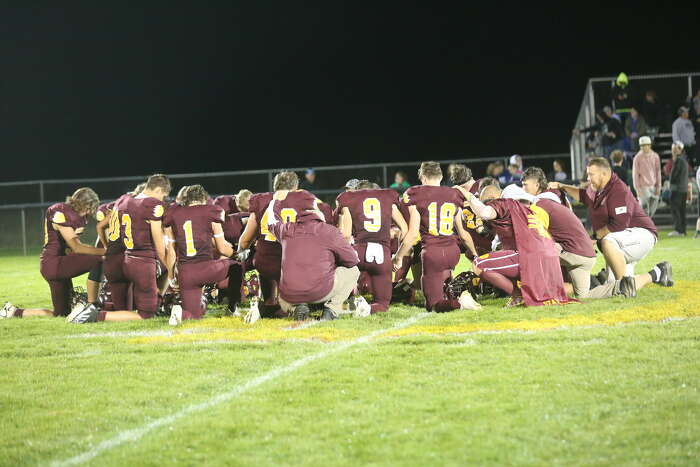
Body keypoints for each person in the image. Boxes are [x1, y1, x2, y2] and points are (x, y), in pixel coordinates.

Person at [549, 158, 671, 287]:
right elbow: (584, 196)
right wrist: (562, 186)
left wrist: (593, 239)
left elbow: (618, 224)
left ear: (604, 174)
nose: (588, 178)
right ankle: (658, 273)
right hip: (622, 239)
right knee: (613, 286)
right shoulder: (598, 188)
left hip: (642, 234)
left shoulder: (617, 190)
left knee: (607, 241)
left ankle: (623, 285)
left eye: (591, 174)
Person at [458, 184, 572, 307]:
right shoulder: (526, 209)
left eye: (485, 202)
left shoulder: (504, 203)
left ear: (492, 198)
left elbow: (484, 212)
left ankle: (518, 294)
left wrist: (466, 193)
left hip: (529, 256)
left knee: (478, 265)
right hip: (548, 257)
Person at [1, 188, 106, 319]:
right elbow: (77, 247)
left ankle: (13, 312)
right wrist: (105, 251)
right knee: (100, 259)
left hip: (56, 265)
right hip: (54, 264)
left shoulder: (78, 217)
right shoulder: (61, 212)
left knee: (61, 314)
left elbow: (70, 249)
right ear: (88, 204)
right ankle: (93, 304)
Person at [393, 161, 480, 312]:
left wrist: (398, 257)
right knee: (444, 292)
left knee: (433, 305)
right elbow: (463, 234)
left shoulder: (416, 193)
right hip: (453, 252)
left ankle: (461, 302)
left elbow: (413, 233)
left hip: (432, 254)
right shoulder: (454, 194)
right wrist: (475, 254)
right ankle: (457, 296)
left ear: (423, 178)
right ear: (440, 177)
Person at [264, 189, 361, 321]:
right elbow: (352, 261)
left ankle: (295, 308)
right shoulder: (329, 231)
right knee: (354, 271)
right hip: (321, 292)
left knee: (284, 297)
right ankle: (332, 310)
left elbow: (271, 222)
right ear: (319, 215)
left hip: (290, 295)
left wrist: (274, 202)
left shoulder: (286, 230)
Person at [238, 172, 318, 319]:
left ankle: (269, 302)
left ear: (275, 185)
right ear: (295, 187)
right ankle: (298, 302)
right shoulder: (304, 198)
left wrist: (240, 253)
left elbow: (245, 240)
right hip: (295, 262)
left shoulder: (262, 200)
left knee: (260, 257)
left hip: (266, 261)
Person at [163, 185, 242, 324]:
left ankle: (180, 313)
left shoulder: (173, 213)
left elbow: (171, 251)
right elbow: (222, 248)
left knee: (193, 315)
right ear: (204, 198)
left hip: (186, 273)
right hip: (207, 269)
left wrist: (171, 277)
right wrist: (238, 254)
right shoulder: (211, 211)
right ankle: (232, 308)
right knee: (236, 266)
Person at [336, 180, 408, 314]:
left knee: (339, 298)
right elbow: (404, 228)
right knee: (383, 304)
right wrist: (398, 256)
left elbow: (345, 235)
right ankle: (367, 308)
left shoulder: (349, 199)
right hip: (382, 254)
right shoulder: (387, 197)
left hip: (358, 252)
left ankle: (341, 305)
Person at [632, 136, 661, 217]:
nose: (642, 147)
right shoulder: (637, 158)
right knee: (644, 208)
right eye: (641, 145)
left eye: (644, 145)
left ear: (649, 145)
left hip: (654, 186)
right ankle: (645, 226)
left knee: (652, 210)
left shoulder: (655, 156)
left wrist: (658, 187)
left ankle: (646, 225)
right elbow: (635, 174)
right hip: (643, 187)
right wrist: (637, 189)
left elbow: (658, 172)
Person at [668, 142, 689, 237]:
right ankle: (683, 231)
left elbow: (674, 176)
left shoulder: (679, 160)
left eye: (675, 148)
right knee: (682, 210)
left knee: (675, 209)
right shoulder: (684, 159)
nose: (673, 150)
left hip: (677, 189)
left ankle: (678, 230)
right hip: (683, 189)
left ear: (680, 149)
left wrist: (670, 181)